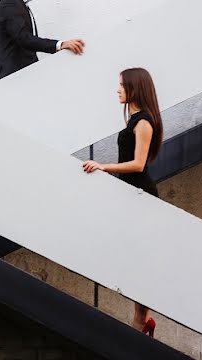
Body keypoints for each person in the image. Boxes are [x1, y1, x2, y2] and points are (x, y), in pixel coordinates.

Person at [82, 67, 164, 337]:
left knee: (140, 257)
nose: (117, 89)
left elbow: (139, 164)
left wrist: (103, 167)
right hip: (131, 196)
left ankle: (142, 319)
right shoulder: (134, 120)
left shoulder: (143, 122)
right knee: (135, 257)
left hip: (141, 196)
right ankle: (143, 318)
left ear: (134, 88)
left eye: (121, 85)